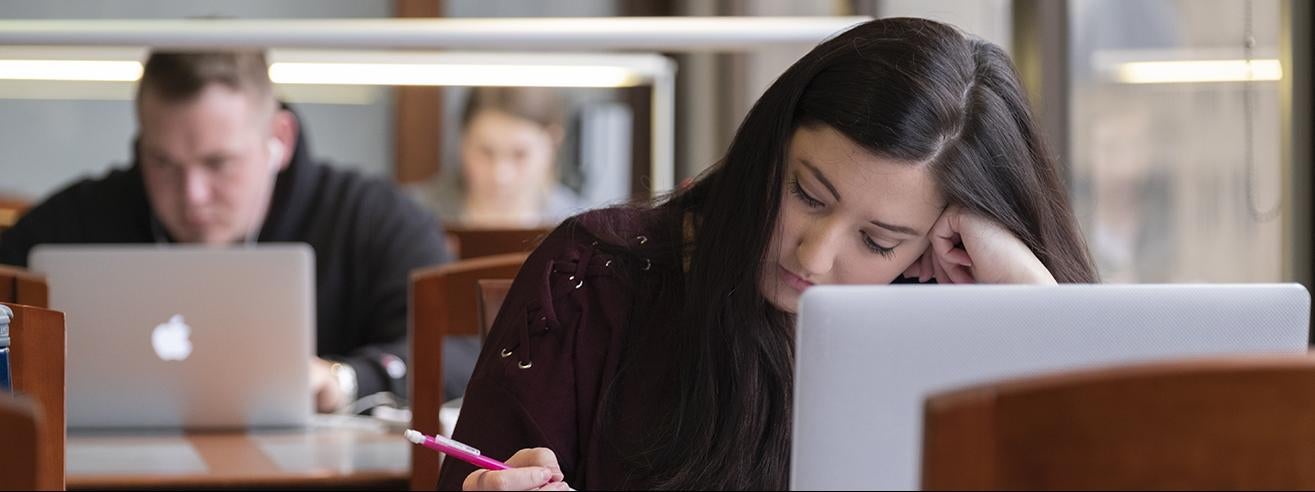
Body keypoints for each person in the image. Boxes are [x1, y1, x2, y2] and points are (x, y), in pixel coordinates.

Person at [438, 17, 1098, 491]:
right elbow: (476, 472)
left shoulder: (955, 314)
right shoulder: (593, 279)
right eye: (806, 194)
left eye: (877, 240)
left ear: (933, 247)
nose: (814, 255)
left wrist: (1027, 298)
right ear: (766, 150)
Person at [0, 51, 452, 413]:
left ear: (280, 138)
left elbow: (460, 351)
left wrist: (345, 379)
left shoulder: (372, 219)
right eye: (163, 163)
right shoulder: (73, 221)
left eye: (218, 164)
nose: (193, 195)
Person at [410, 86, 586, 229]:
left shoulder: (578, 227)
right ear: (462, 141)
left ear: (553, 143)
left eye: (520, 154)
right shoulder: (413, 216)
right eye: (485, 152)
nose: (501, 175)